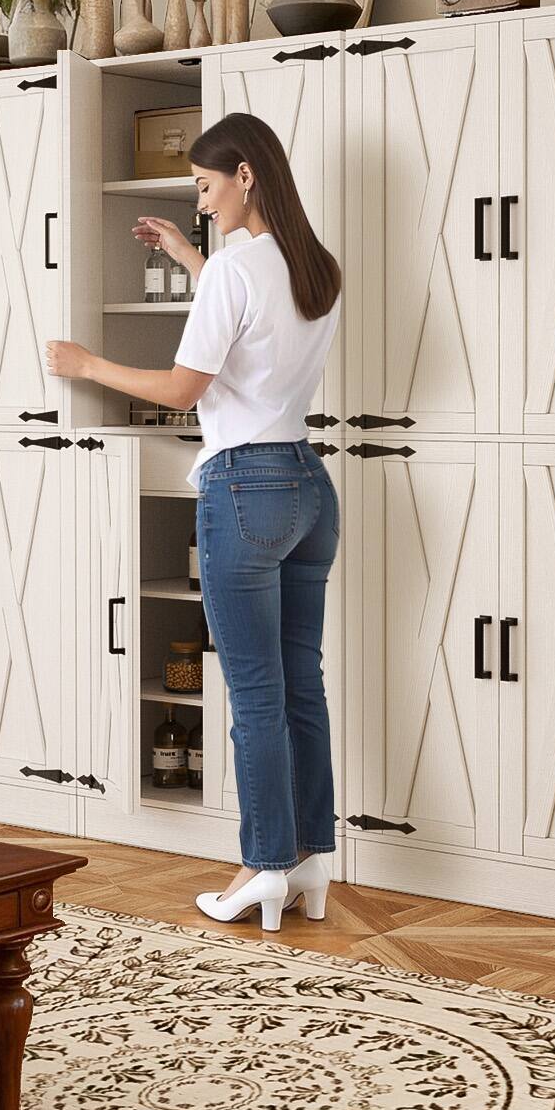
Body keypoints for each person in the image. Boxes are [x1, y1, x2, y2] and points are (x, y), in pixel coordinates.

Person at [46, 112, 341, 931]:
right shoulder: (314, 266)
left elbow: (185, 389)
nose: (202, 203)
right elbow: (253, 310)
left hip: (243, 486)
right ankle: (312, 859)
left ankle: (261, 866)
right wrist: (188, 256)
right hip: (308, 483)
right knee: (299, 686)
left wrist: (88, 365)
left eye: (207, 187)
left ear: (246, 174)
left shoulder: (233, 275)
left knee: (252, 695)